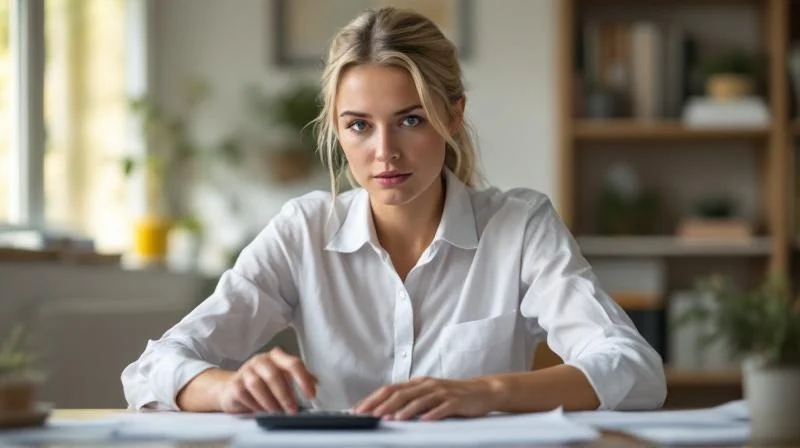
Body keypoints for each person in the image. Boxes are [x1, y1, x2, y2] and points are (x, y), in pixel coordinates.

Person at [121, 7, 666, 421]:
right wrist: (227, 388)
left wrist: (487, 391)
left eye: (410, 120)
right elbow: (151, 369)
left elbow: (635, 369)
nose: (385, 152)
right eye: (359, 125)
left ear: (453, 116)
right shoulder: (303, 231)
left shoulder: (519, 227)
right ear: (336, 129)